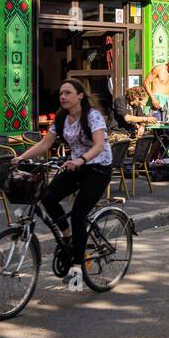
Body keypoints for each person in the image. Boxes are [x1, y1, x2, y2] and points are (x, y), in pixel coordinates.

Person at [16, 80, 113, 289]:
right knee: (48, 197)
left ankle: (78, 266)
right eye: (61, 93)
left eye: (68, 92)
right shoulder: (61, 118)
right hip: (75, 167)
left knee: (79, 214)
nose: (63, 96)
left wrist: (82, 160)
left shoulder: (92, 116)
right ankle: (67, 235)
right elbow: (45, 143)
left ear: (80, 96)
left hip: (97, 168)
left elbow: (99, 145)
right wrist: (20, 158)